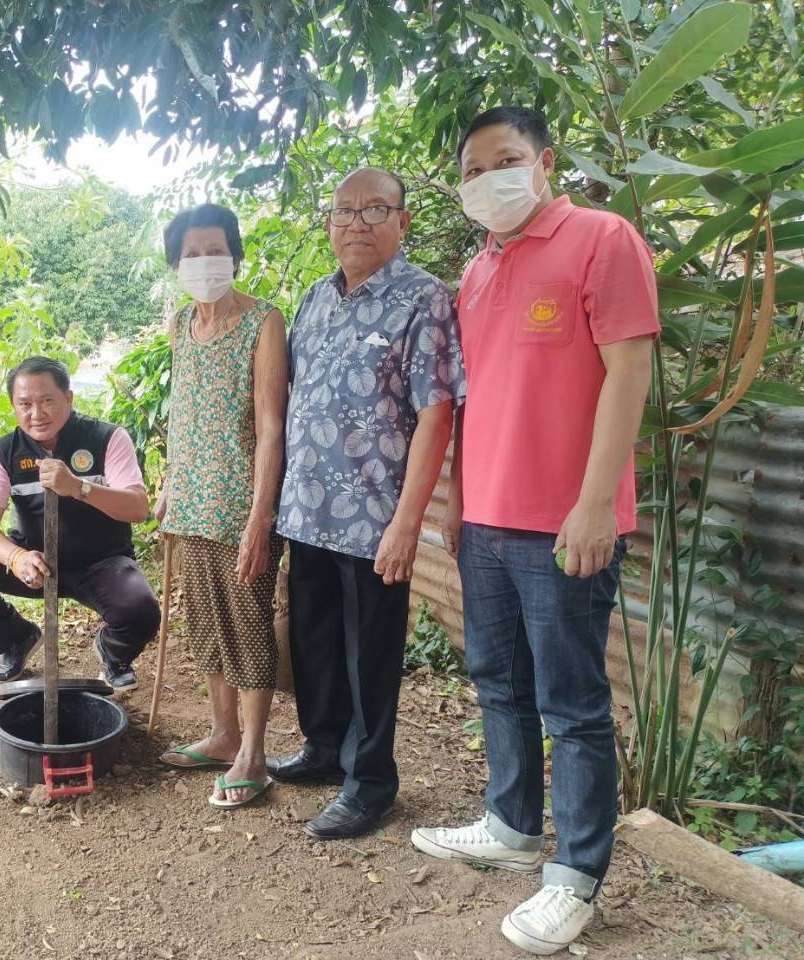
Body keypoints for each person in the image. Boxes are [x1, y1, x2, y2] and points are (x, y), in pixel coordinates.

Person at [409, 107, 658, 956]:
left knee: (573, 704)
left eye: (506, 159)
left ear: (545, 161)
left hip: (563, 524)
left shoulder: (603, 239)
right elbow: (478, 397)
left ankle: (575, 875)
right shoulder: (478, 269)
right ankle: (512, 825)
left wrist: (594, 505)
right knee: (498, 680)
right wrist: (457, 499)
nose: (490, 179)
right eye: (473, 170)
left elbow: (629, 373)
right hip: (485, 518)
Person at [269, 168, 465, 839]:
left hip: (374, 519)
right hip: (307, 510)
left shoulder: (423, 298)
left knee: (369, 655)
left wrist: (409, 524)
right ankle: (325, 748)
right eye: (344, 210)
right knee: (315, 640)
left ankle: (371, 781)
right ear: (329, 223)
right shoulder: (315, 298)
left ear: (402, 222)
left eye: (374, 210)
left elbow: (436, 415)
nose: (356, 222)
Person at [155, 203, 289, 811]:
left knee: (248, 630)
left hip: (239, 510)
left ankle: (252, 755)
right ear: (176, 263)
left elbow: (270, 426)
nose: (205, 262)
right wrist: (169, 485)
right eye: (192, 253)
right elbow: (185, 411)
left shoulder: (264, 321)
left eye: (216, 251)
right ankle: (223, 734)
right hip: (191, 506)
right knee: (206, 627)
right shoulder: (182, 322)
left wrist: (261, 518)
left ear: (234, 255)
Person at [0, 357, 160, 688]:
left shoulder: (107, 438)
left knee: (141, 611)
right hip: (35, 561)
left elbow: (138, 508)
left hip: (101, 562)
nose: (37, 413)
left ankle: (113, 653)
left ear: (68, 398)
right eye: (25, 404)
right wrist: (16, 558)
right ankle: (16, 638)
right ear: (14, 406)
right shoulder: (3, 452)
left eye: (47, 401)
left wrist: (79, 487)